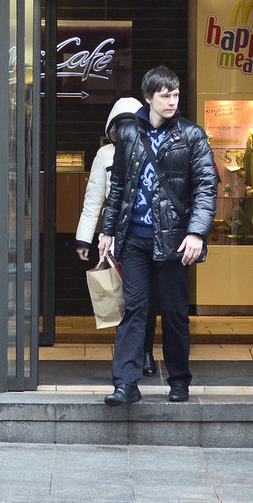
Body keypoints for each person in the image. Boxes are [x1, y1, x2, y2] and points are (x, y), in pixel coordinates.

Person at [97, 66, 218, 406]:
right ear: (148, 98)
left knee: (175, 313)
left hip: (175, 239)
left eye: (175, 94)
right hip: (134, 238)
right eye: (165, 95)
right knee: (134, 309)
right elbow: (118, 186)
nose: (172, 101)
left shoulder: (192, 135)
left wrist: (197, 232)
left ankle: (179, 380)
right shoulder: (129, 134)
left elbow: (206, 187)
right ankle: (125, 383)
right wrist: (107, 230)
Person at [75, 97, 159, 375]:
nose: (126, 130)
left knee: (145, 299)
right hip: (116, 237)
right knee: (126, 299)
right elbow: (94, 198)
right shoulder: (105, 154)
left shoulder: (152, 147)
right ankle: (132, 356)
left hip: (148, 233)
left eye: (131, 124)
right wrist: (84, 238)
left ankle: (145, 351)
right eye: (121, 126)